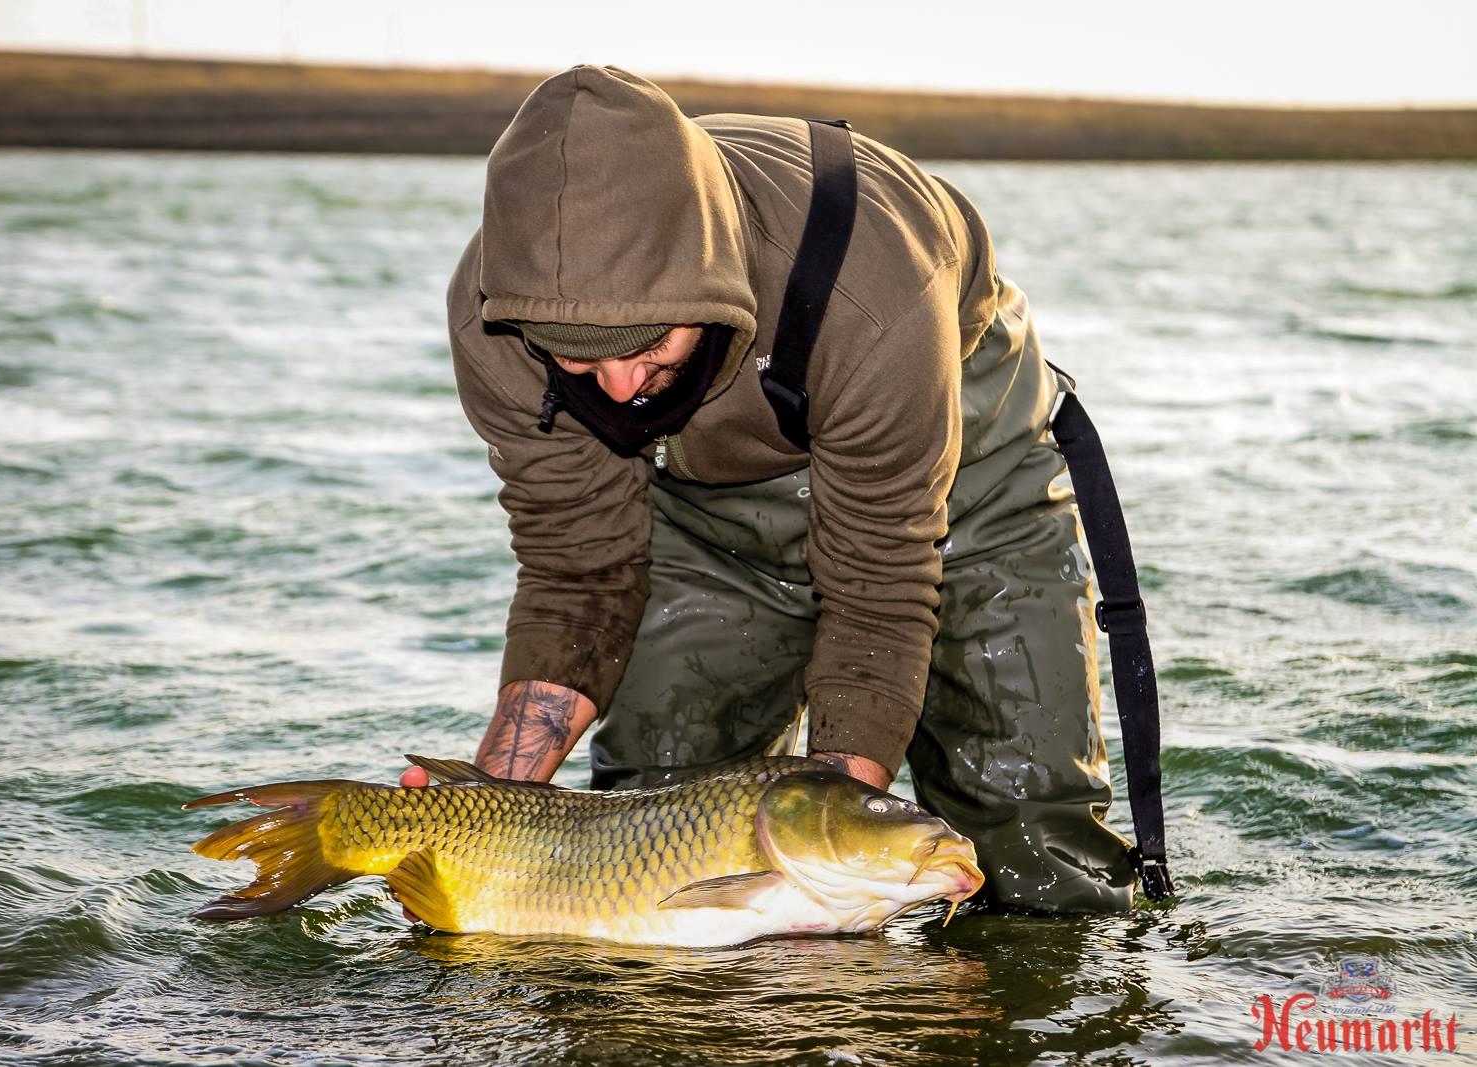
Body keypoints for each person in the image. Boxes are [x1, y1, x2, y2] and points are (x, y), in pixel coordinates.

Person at [428, 65, 1139, 913]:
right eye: (578, 360)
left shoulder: (871, 286)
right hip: (704, 504)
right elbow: (578, 572)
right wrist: (473, 819)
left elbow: (878, 591)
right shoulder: (498, 316)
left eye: (648, 343)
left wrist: (821, 877)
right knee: (658, 847)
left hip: (953, 470)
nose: (618, 388)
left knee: (1032, 856)